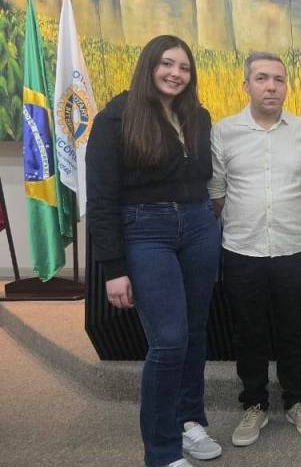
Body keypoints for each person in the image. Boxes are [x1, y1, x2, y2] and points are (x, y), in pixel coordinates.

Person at [86, 35, 222, 467]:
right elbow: (101, 199)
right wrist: (113, 269)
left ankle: (190, 421)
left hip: (198, 226)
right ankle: (162, 452)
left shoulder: (198, 116)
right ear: (149, 65)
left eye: (184, 67)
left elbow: (205, 179)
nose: (175, 74)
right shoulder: (115, 118)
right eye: (167, 64)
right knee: (168, 341)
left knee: (195, 333)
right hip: (145, 232)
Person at [208, 52, 301, 447]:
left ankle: (298, 401)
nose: (271, 86)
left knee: (295, 329)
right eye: (261, 78)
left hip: (294, 247)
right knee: (249, 332)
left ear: (286, 86)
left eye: (278, 79)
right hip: (243, 249)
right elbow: (218, 193)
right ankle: (254, 404)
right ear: (246, 85)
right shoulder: (224, 132)